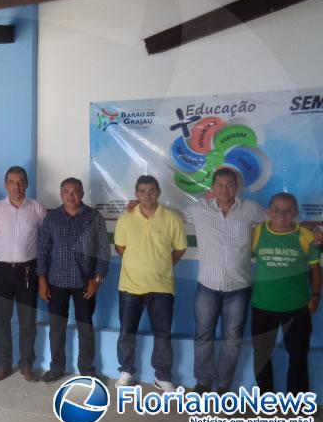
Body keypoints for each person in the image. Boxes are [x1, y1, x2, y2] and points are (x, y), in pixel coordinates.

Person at [188, 168, 268, 395]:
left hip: (239, 288)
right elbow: (165, 216)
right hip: (207, 286)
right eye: (220, 184)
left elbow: (280, 219)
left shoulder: (251, 209)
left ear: (237, 187)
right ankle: (203, 383)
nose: (225, 189)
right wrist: (136, 206)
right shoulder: (198, 209)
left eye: (230, 184)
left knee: (233, 338)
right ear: (212, 188)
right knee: (204, 335)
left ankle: (224, 385)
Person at [114, 175, 187, 392]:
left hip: (162, 287)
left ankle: (162, 377)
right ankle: (126, 371)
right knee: (127, 332)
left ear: (159, 192)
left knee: (163, 335)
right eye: (143, 191)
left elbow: (180, 248)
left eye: (152, 190)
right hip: (130, 286)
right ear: (136, 193)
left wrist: (161, 265)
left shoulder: (172, 218)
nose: (148, 195)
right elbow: (120, 248)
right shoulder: (126, 217)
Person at [37, 177, 109, 383]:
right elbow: (42, 251)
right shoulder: (52, 219)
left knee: (85, 328)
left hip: (85, 284)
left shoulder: (94, 218)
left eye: (75, 191)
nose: (71, 195)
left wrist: (97, 280)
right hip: (55, 282)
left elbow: (104, 253)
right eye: (66, 191)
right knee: (56, 328)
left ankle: (86, 369)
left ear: (83, 194)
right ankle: (56, 367)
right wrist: (42, 280)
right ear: (61, 194)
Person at [251, 193, 321, 395]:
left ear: (296, 213)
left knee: (298, 355)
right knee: (262, 355)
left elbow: (315, 269)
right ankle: (266, 398)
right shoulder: (257, 233)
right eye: (276, 209)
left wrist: (316, 295)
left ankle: (297, 401)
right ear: (269, 212)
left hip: (297, 306)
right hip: (263, 305)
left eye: (288, 210)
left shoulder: (306, 236)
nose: (281, 214)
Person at [0, 166, 46, 382]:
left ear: (27, 184)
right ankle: (3, 364)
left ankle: (27, 364)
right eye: (12, 181)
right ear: (5, 184)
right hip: (0, 270)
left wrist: (42, 274)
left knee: (27, 321)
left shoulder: (36, 208)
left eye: (20, 181)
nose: (16, 186)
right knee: (2, 320)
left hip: (29, 271)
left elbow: (45, 240)